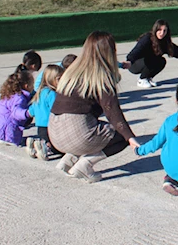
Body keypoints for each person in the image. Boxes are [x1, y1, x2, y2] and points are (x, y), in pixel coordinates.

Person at [49, 31, 140, 183]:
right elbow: (113, 112)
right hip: (76, 134)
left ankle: (68, 160)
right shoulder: (100, 75)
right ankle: (85, 165)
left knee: (90, 126)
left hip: (54, 132)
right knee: (120, 137)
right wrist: (129, 137)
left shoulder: (71, 71)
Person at [127, 20, 178, 88]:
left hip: (147, 62)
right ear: (155, 30)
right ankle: (141, 80)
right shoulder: (147, 38)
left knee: (161, 61)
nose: (162, 33)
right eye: (159, 30)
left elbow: (175, 50)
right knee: (152, 59)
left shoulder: (164, 42)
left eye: (164, 31)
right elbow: (137, 50)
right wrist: (129, 61)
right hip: (134, 64)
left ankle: (148, 78)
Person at [26, 64, 65, 160]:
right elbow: (56, 109)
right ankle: (45, 148)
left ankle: (35, 144)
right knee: (58, 149)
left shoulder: (39, 92)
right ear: (52, 79)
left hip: (40, 126)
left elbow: (32, 110)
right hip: (50, 126)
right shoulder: (52, 94)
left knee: (45, 139)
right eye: (59, 79)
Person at [0, 70, 33, 146]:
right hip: (7, 129)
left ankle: (3, 137)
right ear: (26, 86)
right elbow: (16, 112)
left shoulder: (9, 94)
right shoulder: (20, 98)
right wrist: (28, 113)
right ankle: (7, 138)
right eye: (32, 84)